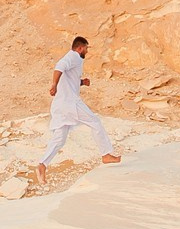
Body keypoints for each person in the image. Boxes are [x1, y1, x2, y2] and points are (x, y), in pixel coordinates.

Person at [35, 35, 121, 185]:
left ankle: (42, 165)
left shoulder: (75, 61)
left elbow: (68, 79)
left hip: (60, 105)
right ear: (80, 48)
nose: (87, 51)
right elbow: (59, 67)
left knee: (59, 139)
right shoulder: (73, 56)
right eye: (86, 48)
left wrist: (82, 82)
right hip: (70, 103)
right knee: (95, 122)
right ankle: (106, 154)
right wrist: (54, 84)